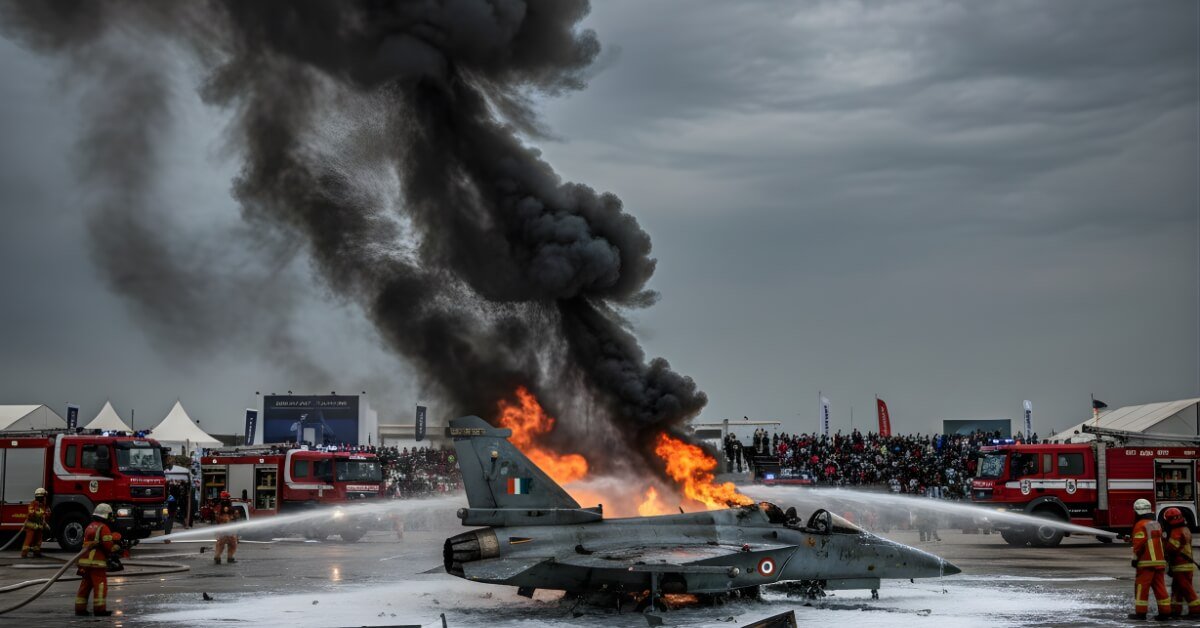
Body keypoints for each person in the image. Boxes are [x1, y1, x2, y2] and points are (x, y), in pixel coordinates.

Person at [1128, 498, 1171, 621]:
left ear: (1137, 511)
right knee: (1160, 588)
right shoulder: (1156, 523)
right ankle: (1165, 613)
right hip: (1160, 562)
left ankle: (1140, 614)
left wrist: (1135, 559)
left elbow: (1139, 544)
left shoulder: (1140, 525)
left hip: (1146, 563)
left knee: (1142, 587)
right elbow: (1158, 540)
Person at [76, 503, 118, 617]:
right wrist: (117, 548)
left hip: (85, 562)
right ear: (105, 515)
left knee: (85, 586)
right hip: (97, 562)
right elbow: (108, 545)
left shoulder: (90, 526)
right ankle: (100, 610)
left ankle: (80, 609)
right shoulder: (103, 528)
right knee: (100, 586)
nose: (111, 517)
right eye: (110, 515)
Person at [1163, 507, 1199, 618]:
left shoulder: (1176, 531)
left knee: (1186, 589)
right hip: (1186, 565)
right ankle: (1175, 610)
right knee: (1176, 589)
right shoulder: (1185, 529)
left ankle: (1196, 610)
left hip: (1181, 565)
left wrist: (1162, 543)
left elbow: (1172, 548)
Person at [21, 487, 49, 558]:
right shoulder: (33, 504)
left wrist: (45, 524)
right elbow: (31, 514)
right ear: (41, 497)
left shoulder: (43, 505)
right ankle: (24, 553)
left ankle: (36, 552)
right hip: (31, 525)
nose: (45, 498)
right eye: (44, 496)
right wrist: (39, 512)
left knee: (38, 540)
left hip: (39, 526)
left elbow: (48, 513)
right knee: (29, 540)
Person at [213, 491, 239, 564]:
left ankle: (223, 558)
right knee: (223, 543)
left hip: (227, 528)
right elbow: (217, 518)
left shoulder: (220, 506)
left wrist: (234, 515)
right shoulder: (221, 507)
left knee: (230, 543)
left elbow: (234, 516)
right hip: (224, 529)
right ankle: (219, 557)